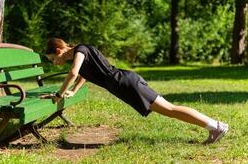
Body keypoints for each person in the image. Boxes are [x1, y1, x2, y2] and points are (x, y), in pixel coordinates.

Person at [43, 37, 228, 144]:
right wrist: (74, 91)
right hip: (123, 83)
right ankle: (214, 128)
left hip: (125, 83)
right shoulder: (80, 53)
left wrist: (59, 94)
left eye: (52, 59)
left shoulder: (80, 50)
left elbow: (74, 72)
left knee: (170, 109)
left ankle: (217, 127)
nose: (54, 63)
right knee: (169, 110)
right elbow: (84, 74)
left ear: (59, 50)